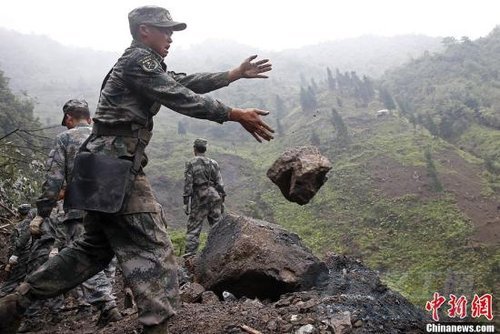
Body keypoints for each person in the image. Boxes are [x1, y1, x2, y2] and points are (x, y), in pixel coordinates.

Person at [0, 5, 274, 334]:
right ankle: (156, 324)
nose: (171, 36)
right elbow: (178, 95)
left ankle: (16, 303)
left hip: (104, 166)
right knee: (154, 250)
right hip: (115, 166)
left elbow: (182, 82)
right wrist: (234, 114)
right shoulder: (137, 61)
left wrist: (232, 74)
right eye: (165, 29)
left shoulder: (144, 65)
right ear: (144, 30)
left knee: (93, 248)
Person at [183, 138, 225, 256]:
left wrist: (186, 202)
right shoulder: (213, 163)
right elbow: (220, 184)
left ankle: (189, 258)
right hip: (214, 196)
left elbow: (188, 184)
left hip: (199, 197)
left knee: (193, 229)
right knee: (218, 226)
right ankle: (221, 253)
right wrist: (221, 198)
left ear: (194, 149)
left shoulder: (191, 163)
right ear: (205, 149)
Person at [0, 204, 34, 297]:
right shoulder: (34, 223)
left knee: (15, 279)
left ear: (20, 213)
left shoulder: (22, 225)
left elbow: (17, 244)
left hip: (21, 255)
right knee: (18, 279)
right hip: (27, 255)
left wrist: (12, 257)